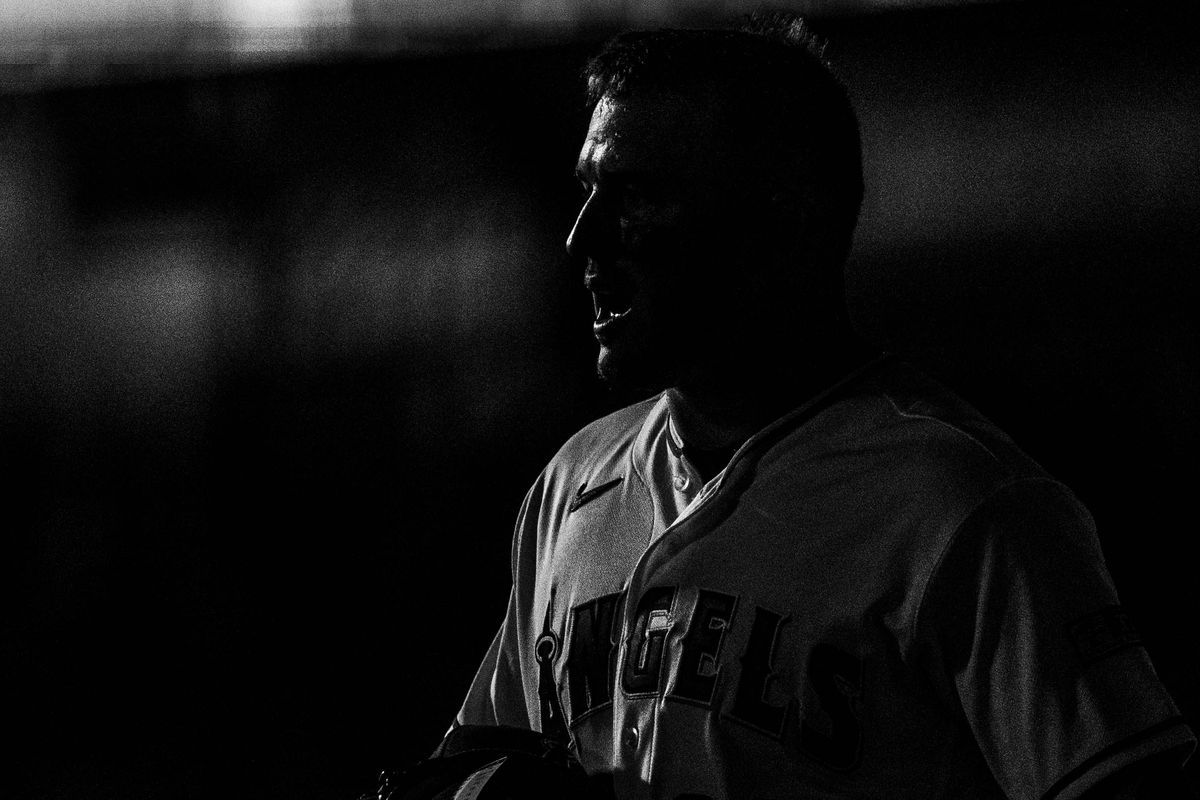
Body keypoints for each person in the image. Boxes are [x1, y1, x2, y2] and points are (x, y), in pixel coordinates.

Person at [414, 13, 1197, 800]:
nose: (584, 238)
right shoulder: (571, 482)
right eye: (588, 191)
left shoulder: (965, 507)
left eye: (636, 194)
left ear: (780, 215)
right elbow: (472, 762)